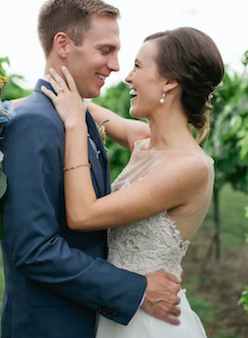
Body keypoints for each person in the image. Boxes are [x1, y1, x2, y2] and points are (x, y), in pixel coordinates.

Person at [0, 0, 182, 338]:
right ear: (63, 44)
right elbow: (34, 250)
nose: (115, 66)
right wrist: (137, 287)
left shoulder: (75, 114)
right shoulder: (33, 124)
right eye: (105, 50)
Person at [41, 26, 225, 337]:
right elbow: (84, 107)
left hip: (149, 324)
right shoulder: (143, 140)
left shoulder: (189, 167)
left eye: (138, 66)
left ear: (169, 81)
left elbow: (83, 214)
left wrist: (74, 127)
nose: (127, 76)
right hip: (120, 307)